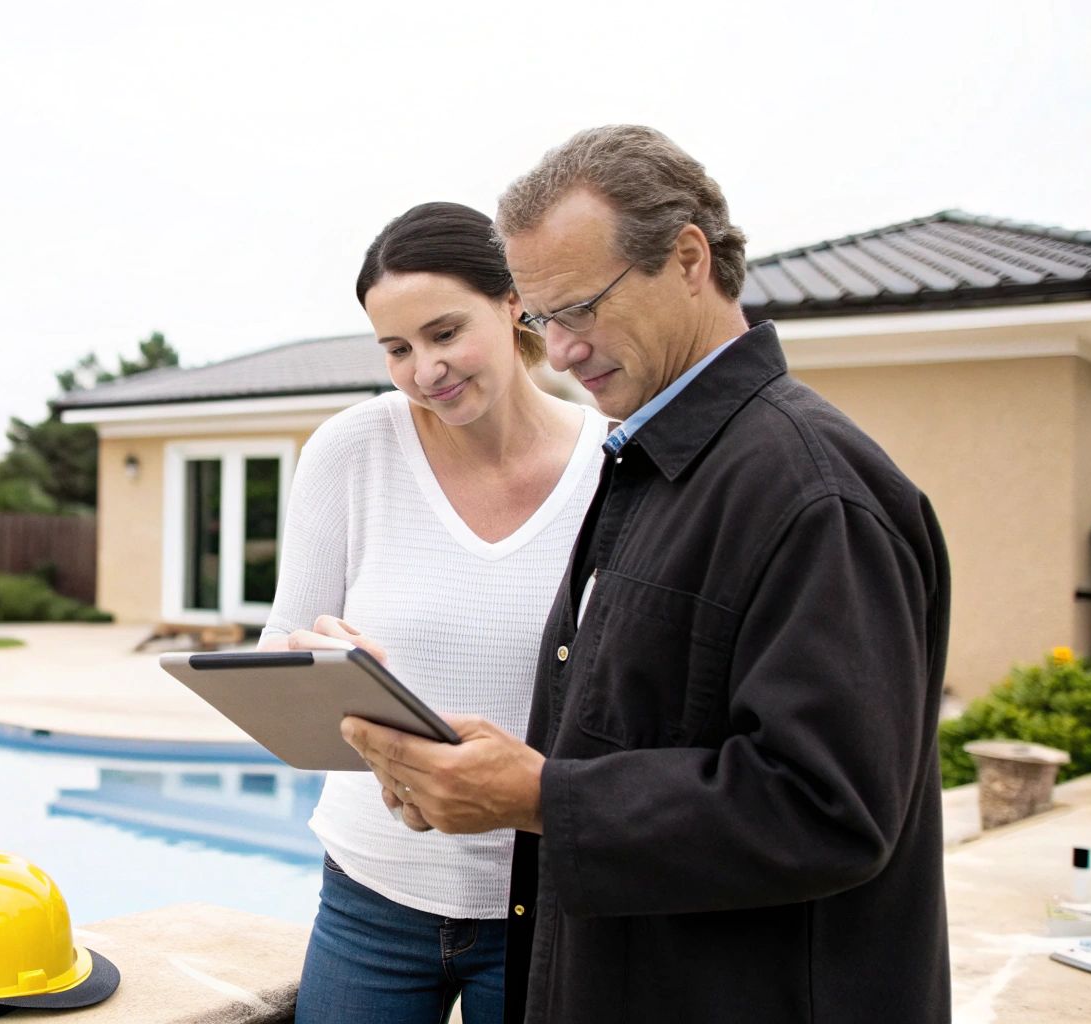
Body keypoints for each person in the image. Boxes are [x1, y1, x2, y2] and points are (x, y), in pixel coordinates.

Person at [340, 126, 952, 1023]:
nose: (564, 347)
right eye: (543, 319)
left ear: (690, 257)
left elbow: (830, 806)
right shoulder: (659, 463)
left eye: (582, 307)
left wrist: (540, 794)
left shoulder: (815, 491)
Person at [260, 201, 609, 1024]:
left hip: (542, 903)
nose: (424, 370)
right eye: (397, 348)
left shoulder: (613, 465)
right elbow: (281, 647)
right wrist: (317, 657)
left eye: (444, 333)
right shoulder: (351, 451)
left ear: (514, 300)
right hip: (371, 893)